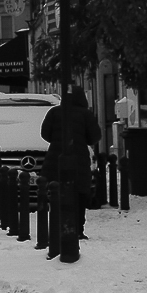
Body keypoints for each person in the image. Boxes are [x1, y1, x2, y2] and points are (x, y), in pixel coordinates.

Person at [41, 90, 101, 242]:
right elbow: (95, 136)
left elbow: (45, 133)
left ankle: (57, 226)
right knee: (79, 194)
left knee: (57, 192)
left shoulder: (54, 112)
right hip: (79, 159)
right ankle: (78, 229)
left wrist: (57, 141)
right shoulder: (85, 114)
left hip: (55, 158)